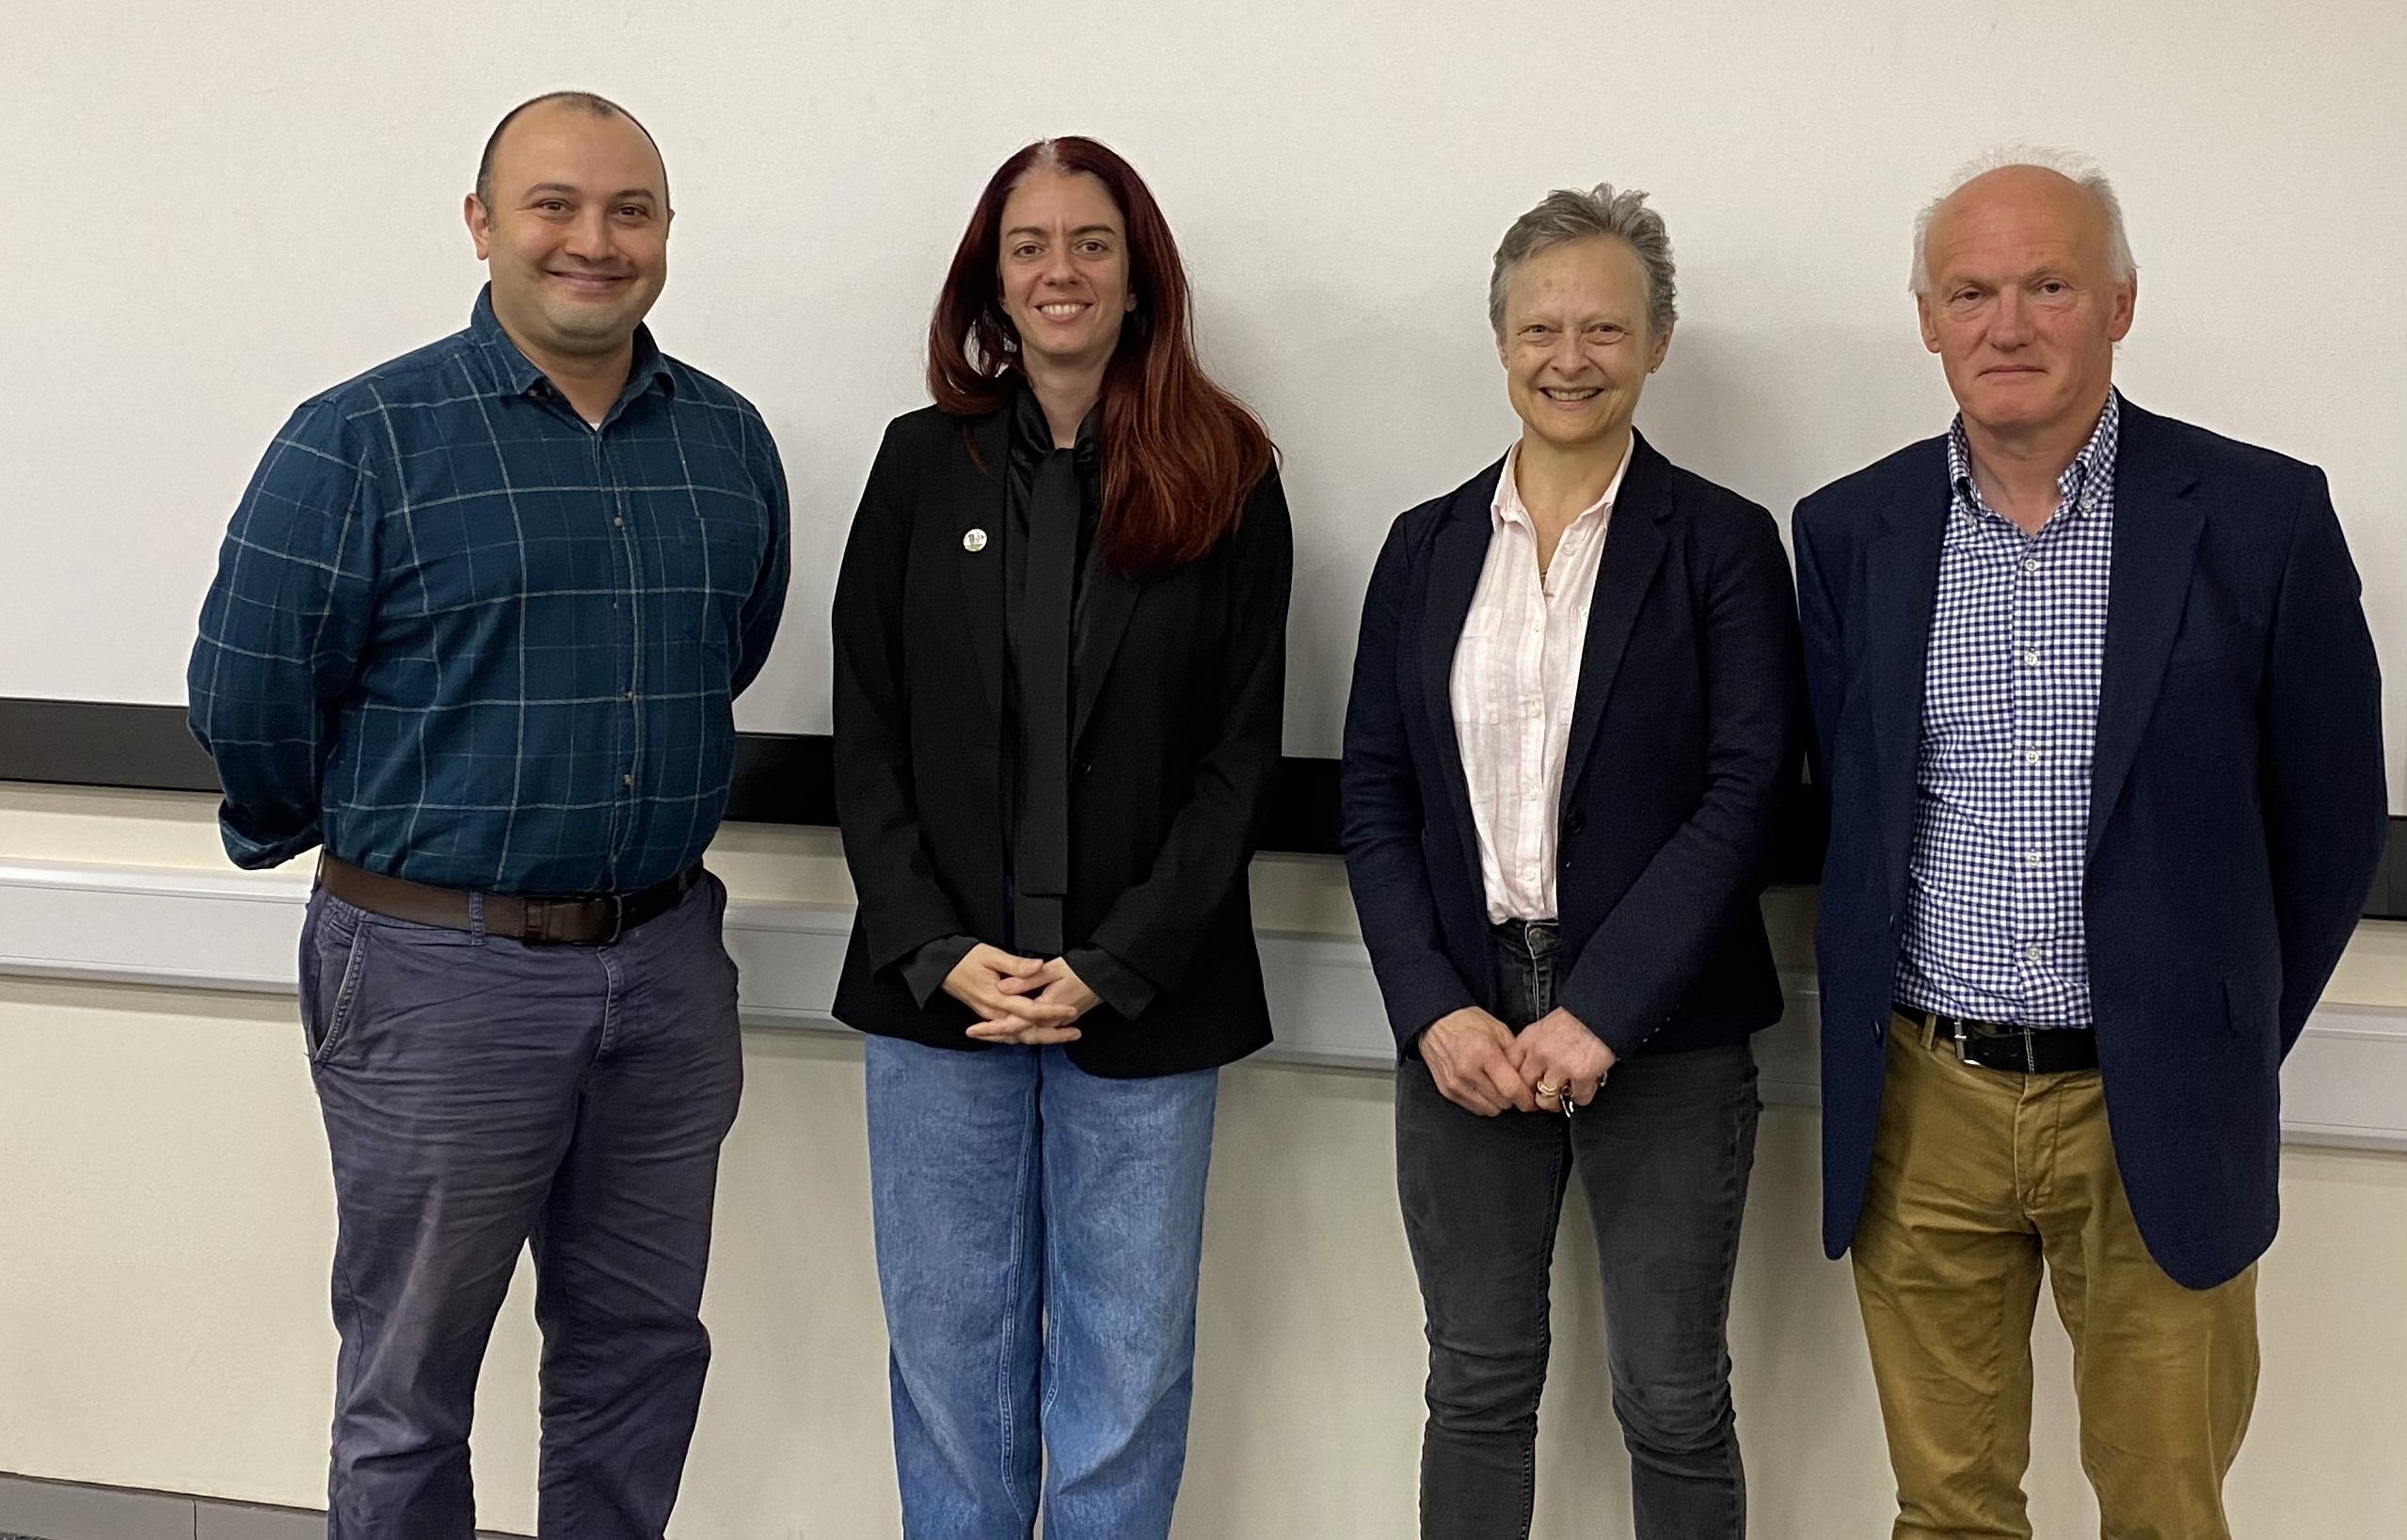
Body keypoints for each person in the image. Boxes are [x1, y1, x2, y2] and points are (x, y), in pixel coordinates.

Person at [186, 91, 790, 1539]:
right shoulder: (359, 439)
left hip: (661, 971)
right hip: (432, 973)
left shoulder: (725, 442)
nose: (594, 240)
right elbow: (246, 698)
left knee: (639, 1355)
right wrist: (376, 840)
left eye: (629, 211)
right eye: (554, 206)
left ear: (663, 235)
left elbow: (731, 651)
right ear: (481, 225)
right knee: (410, 1387)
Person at [1793, 149, 2386, 1540]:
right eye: (1972, 290)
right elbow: (1854, 805)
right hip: (1923, 1099)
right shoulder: (1848, 530)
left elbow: (2332, 820)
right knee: (1944, 1508)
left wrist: (2217, 1027)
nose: (2007, 324)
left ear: (2118, 304)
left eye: (2047, 285)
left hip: (2154, 1105)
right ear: (1925, 315)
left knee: (2163, 1506)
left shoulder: (2259, 518)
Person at [828, 135, 1290, 1540]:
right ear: (993, 277)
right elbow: (867, 729)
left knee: (1126, 1375)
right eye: (1029, 246)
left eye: (1089, 242)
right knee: (949, 1367)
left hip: (1144, 1000)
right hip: (939, 998)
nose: (1059, 271)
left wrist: (1113, 958)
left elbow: (1238, 755)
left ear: (1138, 274)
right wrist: (936, 942)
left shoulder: (1227, 467)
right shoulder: (921, 466)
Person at [1341, 183, 1799, 1540]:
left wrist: (1602, 1009)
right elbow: (1371, 793)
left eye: (1605, 325)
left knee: (1668, 1393)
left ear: (1657, 341)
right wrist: (1430, 1008)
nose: (1569, 356)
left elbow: (1744, 792)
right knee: (1473, 1384)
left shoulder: (1719, 543)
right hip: (1465, 1025)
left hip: (1664, 1033)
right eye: (1538, 324)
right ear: (1497, 341)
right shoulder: (1424, 548)